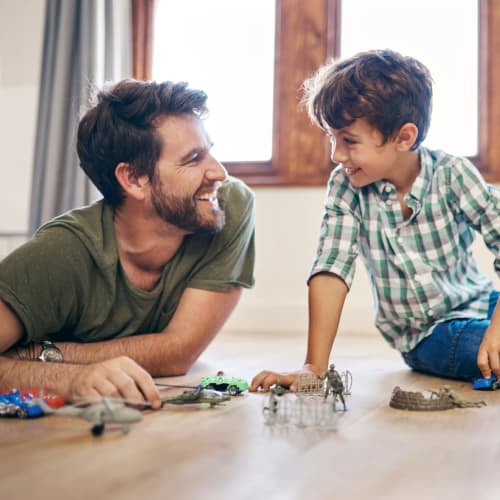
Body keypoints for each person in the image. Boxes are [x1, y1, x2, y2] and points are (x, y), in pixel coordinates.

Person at [250, 49, 500, 393]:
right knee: (486, 352)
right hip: (428, 335)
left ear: (403, 137)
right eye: (332, 138)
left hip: (482, 301)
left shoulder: (452, 174)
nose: (336, 155)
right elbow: (331, 268)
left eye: (349, 141)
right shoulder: (346, 187)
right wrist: (313, 367)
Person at [0, 79, 255, 407]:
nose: (219, 172)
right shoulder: (60, 254)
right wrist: (72, 378)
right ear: (134, 179)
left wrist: (44, 354)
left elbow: (179, 352)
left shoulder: (228, 207)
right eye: (193, 159)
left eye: (210, 152)